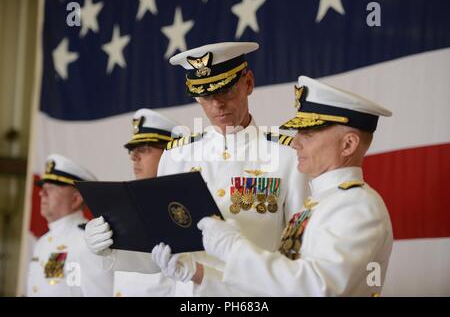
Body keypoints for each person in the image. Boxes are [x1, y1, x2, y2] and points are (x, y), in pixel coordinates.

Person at [98, 41, 309, 296]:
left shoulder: (287, 156)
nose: (217, 103)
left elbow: (298, 252)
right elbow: (160, 246)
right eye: (207, 95)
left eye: (226, 90)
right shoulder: (177, 155)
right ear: (197, 96)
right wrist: (112, 244)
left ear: (248, 83)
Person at [185, 75, 394, 296]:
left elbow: (316, 288)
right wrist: (200, 276)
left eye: (308, 134)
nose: (295, 142)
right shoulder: (322, 202)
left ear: (348, 144)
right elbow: (279, 287)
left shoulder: (357, 206)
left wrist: (234, 248)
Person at [83, 109, 181, 296]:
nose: (134, 157)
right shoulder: (128, 206)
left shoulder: (181, 207)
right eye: (132, 150)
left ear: (173, 152)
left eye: (144, 149)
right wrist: (106, 251)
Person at [27, 154, 113, 296]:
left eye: (51, 188)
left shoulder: (90, 243)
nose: (42, 193)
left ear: (76, 199)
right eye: (43, 188)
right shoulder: (42, 243)